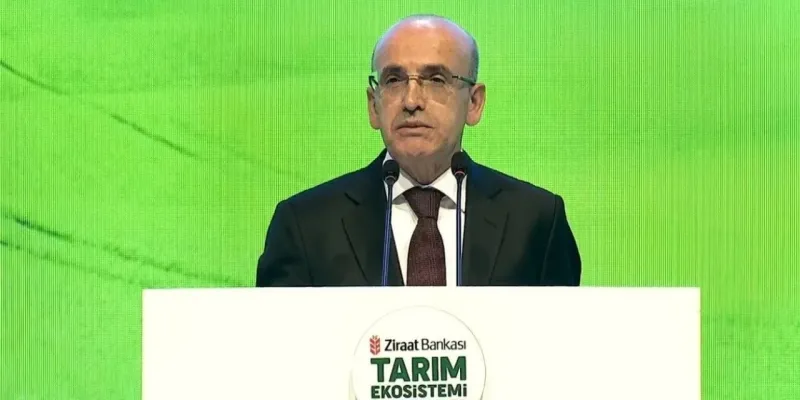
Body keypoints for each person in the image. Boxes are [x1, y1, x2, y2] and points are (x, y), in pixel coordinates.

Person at [256, 15, 581, 287]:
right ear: (373, 105)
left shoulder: (536, 220)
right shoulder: (305, 225)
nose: (411, 101)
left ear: (474, 102)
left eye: (436, 79)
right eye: (394, 80)